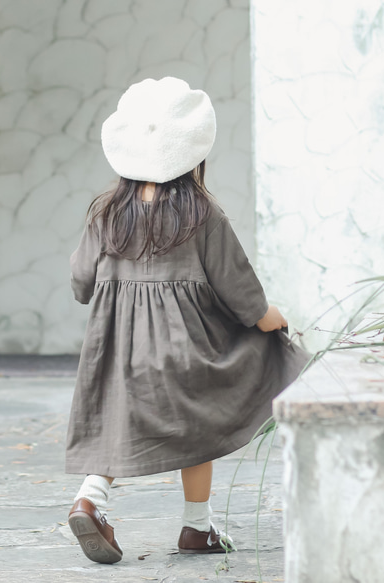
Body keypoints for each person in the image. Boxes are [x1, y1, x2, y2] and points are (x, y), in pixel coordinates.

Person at [65, 77, 311, 565]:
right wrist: (271, 321)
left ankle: (91, 497)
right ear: (192, 152)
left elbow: (80, 284)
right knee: (201, 418)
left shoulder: (107, 214)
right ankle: (196, 527)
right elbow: (241, 293)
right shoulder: (202, 214)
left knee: (115, 421)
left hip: (119, 355)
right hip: (189, 353)